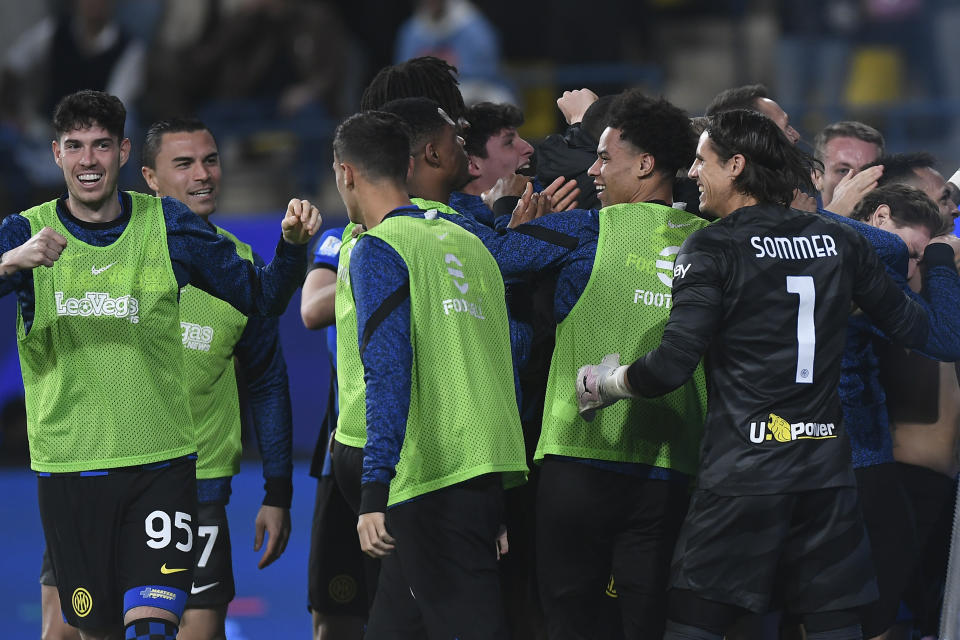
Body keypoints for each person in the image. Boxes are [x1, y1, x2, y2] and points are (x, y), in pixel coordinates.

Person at [577, 109, 931, 640]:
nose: (693, 174)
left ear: (736, 165)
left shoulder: (714, 246)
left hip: (743, 472)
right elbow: (917, 329)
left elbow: (672, 365)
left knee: (696, 623)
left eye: (702, 162)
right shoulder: (842, 241)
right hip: (826, 474)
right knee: (834, 624)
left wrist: (606, 382)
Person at [6, 90, 317, 640]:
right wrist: (8, 264)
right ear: (56, 153)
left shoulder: (169, 226)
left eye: (101, 145)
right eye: (75, 146)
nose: (88, 160)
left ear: (123, 152)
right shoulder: (23, 232)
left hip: (164, 470)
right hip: (72, 470)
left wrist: (291, 249)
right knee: (90, 632)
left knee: (156, 629)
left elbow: (261, 300)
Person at [334, 109, 528, 637]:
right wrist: (498, 499)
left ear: (346, 174)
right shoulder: (472, 241)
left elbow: (389, 372)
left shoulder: (376, 248)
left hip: (428, 479)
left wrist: (374, 494)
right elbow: (504, 358)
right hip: (482, 470)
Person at [300, 225, 369, 640]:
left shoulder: (442, 227)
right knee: (335, 616)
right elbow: (311, 310)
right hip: (344, 453)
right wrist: (371, 264)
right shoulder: (340, 241)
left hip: (417, 456)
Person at [451, 101, 534, 228]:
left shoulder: (547, 195)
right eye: (509, 142)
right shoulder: (457, 224)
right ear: (472, 164)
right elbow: (511, 247)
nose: (529, 148)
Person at [812, 121, 884, 212]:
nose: (858, 181)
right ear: (817, 178)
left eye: (867, 171)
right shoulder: (796, 224)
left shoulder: (899, 223)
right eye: (843, 171)